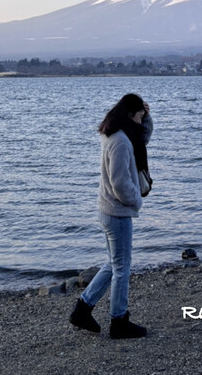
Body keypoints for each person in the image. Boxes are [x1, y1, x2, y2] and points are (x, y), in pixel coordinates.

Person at [69, 93, 153, 339]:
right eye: (139, 116)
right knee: (122, 268)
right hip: (117, 212)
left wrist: (148, 117)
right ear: (130, 114)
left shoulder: (114, 133)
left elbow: (143, 137)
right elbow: (119, 183)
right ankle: (118, 321)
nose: (141, 121)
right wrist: (137, 200)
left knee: (114, 263)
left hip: (107, 209)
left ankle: (82, 309)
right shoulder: (121, 142)